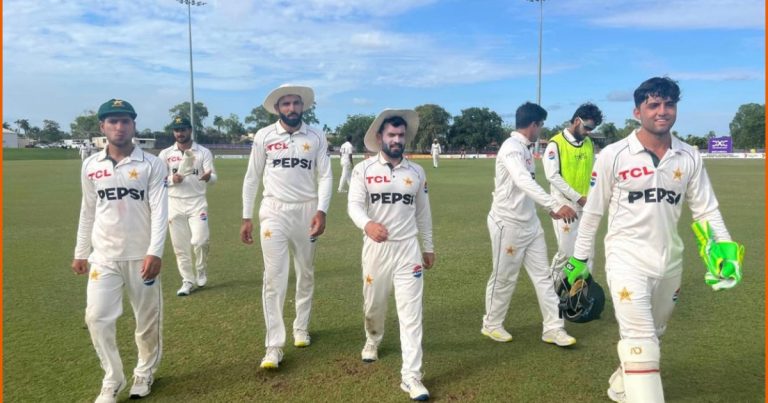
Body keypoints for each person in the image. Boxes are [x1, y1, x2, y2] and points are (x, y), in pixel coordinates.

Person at [564, 77, 743, 402]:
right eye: (654, 104)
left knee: (653, 336)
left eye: (669, 104)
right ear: (637, 111)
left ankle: (622, 380)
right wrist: (579, 258)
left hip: (669, 262)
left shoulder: (689, 156)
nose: (663, 111)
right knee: (642, 340)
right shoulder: (614, 155)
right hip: (625, 260)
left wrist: (723, 251)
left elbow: (706, 210)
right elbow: (592, 213)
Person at [71, 99, 168, 403]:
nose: (119, 127)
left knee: (146, 320)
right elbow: (88, 210)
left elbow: (160, 210)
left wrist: (155, 252)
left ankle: (144, 371)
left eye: (125, 121)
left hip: (141, 255)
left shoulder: (152, 163)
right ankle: (112, 378)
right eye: (112, 121)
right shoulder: (91, 166)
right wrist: (81, 251)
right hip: (105, 256)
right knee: (97, 317)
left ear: (133, 126)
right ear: (102, 127)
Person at [240, 84, 333, 369]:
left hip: (306, 209)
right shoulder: (264, 136)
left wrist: (322, 210)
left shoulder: (316, 135)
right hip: (274, 210)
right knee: (274, 276)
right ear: (278, 108)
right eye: (286, 104)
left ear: (303, 107)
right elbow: (252, 177)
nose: (291, 108)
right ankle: (274, 345)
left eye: (296, 103)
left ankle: (301, 327)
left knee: (305, 272)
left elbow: (326, 176)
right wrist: (247, 216)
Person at [348, 109, 434, 401]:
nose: (397, 140)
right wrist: (367, 224)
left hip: (408, 249)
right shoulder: (364, 170)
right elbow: (354, 206)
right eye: (391, 135)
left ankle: (411, 377)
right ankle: (372, 339)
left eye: (400, 135)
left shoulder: (416, 172)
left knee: (411, 315)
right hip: (377, 249)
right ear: (379, 137)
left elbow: (423, 213)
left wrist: (429, 246)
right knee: (374, 305)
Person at [481, 102, 578, 347]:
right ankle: (491, 324)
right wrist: (554, 205)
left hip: (530, 223)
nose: (541, 130)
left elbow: (527, 189)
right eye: (541, 125)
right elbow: (523, 181)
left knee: (543, 277)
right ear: (533, 124)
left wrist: (547, 209)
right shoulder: (512, 148)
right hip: (508, 223)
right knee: (504, 277)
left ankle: (553, 329)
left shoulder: (525, 149)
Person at [158, 116, 217, 297]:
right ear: (173, 132)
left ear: (190, 130)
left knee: (200, 240)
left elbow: (213, 176)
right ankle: (187, 281)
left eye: (183, 129)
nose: (180, 133)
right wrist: (171, 179)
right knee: (180, 247)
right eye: (177, 130)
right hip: (174, 203)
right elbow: (158, 181)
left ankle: (200, 269)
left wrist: (209, 177)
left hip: (197, 202)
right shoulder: (165, 154)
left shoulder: (203, 152)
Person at [543, 103, 603, 278]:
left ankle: (581, 294)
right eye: (588, 127)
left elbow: (593, 172)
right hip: (565, 206)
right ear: (577, 121)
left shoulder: (588, 143)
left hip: (587, 205)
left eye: (593, 128)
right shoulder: (556, 144)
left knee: (587, 253)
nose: (589, 132)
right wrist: (578, 198)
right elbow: (552, 176)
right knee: (566, 253)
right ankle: (551, 292)